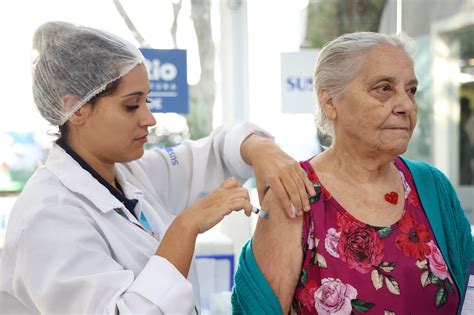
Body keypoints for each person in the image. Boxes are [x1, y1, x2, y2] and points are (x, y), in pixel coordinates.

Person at [0, 21, 316, 314]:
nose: (149, 118)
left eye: (147, 101)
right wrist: (185, 227)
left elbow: (217, 152)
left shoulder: (129, 175)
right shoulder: (49, 216)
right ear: (75, 109)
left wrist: (258, 148)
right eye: (131, 105)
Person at [232, 32, 474, 314]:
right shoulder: (296, 194)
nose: (407, 106)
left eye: (411, 90)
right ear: (330, 102)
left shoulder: (432, 187)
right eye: (384, 88)